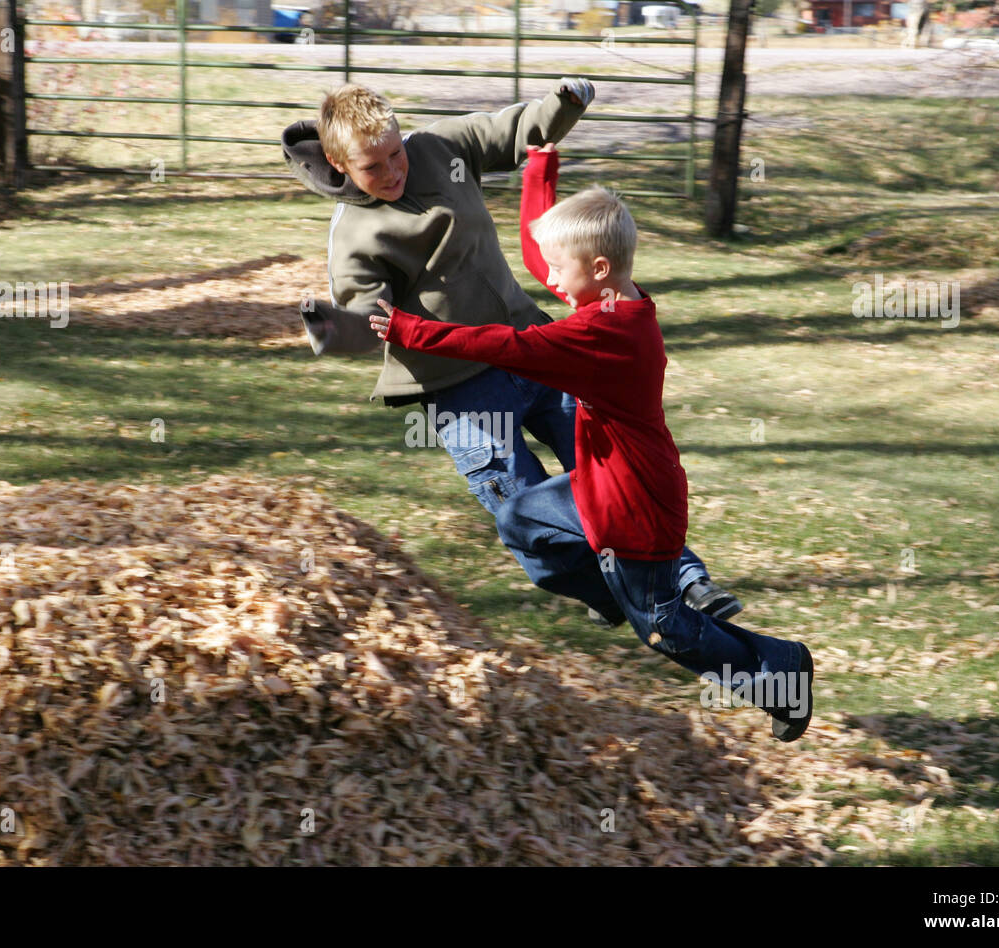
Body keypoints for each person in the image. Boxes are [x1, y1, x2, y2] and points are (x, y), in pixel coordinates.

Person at [369, 142, 814, 740]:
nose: (547, 279)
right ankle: (609, 591)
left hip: (634, 507)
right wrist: (539, 168)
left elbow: (506, 346)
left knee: (666, 630)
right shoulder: (618, 297)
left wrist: (410, 329)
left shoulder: (602, 336)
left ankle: (779, 672)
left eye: (559, 271)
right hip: (603, 483)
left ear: (598, 270)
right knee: (520, 520)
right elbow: (541, 250)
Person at [281, 83, 744, 623]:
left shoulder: (437, 148)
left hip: (534, 350)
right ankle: (612, 593)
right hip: (458, 388)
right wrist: (335, 328)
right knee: (527, 517)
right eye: (372, 166)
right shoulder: (354, 236)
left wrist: (562, 105)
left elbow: (507, 131)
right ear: (338, 162)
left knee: (614, 466)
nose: (392, 172)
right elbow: (373, 321)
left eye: (395, 153)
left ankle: (686, 581)